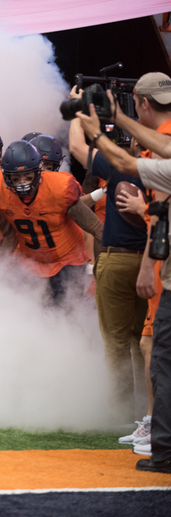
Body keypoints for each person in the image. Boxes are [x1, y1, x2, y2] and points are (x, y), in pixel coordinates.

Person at [75, 73, 171, 473]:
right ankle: (156, 434)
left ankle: (151, 430)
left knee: (150, 349)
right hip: (152, 261)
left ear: (141, 103)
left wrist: (99, 126)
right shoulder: (156, 155)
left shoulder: (151, 157)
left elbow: (126, 162)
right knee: (147, 345)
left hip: (147, 263)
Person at [0, 140, 102, 305]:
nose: (23, 183)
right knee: (27, 310)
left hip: (67, 259)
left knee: (66, 313)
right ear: (6, 176)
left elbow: (96, 228)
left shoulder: (60, 189)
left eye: (27, 176)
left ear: (38, 171)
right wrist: (0, 270)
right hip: (31, 260)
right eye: (16, 177)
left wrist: (97, 276)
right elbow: (9, 235)